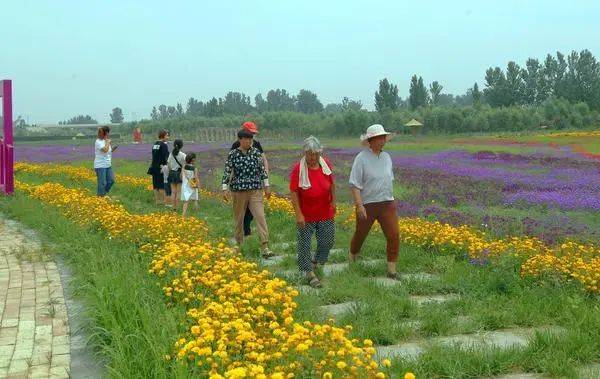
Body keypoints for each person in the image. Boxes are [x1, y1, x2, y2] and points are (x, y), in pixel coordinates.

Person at [348, 124, 400, 279]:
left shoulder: (387, 157)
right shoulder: (361, 159)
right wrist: (360, 205)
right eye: (379, 138)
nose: (382, 141)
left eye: (383, 137)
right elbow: (355, 184)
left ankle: (392, 270)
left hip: (387, 203)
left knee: (394, 235)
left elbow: (388, 179)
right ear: (370, 140)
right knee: (361, 234)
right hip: (368, 204)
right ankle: (353, 255)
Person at [290, 136, 336, 288]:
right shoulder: (299, 168)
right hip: (307, 214)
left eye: (316, 154)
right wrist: (298, 214)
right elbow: (294, 191)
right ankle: (308, 273)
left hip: (325, 211)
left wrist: (334, 201)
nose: (313, 157)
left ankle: (315, 262)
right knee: (305, 244)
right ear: (305, 153)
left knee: (327, 241)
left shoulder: (325, 164)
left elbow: (332, 184)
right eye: (310, 154)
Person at [222, 129, 274, 258]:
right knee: (239, 218)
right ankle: (239, 244)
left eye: (251, 140)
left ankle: (265, 246)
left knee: (260, 216)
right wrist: (224, 188)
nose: (249, 142)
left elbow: (262, 171)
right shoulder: (233, 154)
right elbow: (227, 171)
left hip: (255, 190)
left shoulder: (256, 153)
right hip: (239, 191)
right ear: (240, 139)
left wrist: (266, 186)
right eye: (246, 139)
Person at [230, 121, 269, 237]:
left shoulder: (256, 145)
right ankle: (243, 233)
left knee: (254, 211)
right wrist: (228, 184)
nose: (252, 136)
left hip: (254, 185)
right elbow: (230, 166)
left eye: (253, 134)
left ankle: (252, 234)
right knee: (242, 212)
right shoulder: (236, 146)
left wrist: (266, 176)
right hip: (240, 187)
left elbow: (264, 160)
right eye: (250, 132)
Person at [94, 126, 117, 197]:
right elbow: (105, 150)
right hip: (100, 165)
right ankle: (100, 197)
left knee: (111, 180)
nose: (108, 135)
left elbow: (108, 152)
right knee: (102, 183)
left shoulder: (105, 141)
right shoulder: (98, 142)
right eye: (107, 133)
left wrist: (113, 149)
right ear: (104, 133)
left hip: (108, 165)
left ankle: (102, 194)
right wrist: (107, 142)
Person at [149, 129, 170, 205]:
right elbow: (166, 157)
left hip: (154, 167)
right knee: (161, 185)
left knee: (155, 185)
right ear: (163, 135)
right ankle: (164, 202)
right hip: (161, 167)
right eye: (167, 135)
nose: (168, 137)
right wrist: (166, 166)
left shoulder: (155, 144)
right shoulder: (164, 145)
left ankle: (157, 201)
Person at [167, 139, 186, 210]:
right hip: (179, 173)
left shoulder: (171, 154)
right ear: (181, 146)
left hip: (172, 173)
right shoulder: (183, 155)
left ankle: (173, 206)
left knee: (173, 191)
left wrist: (170, 171)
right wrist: (182, 173)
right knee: (178, 192)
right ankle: (177, 207)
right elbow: (184, 165)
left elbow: (168, 164)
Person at [181, 153, 200, 217]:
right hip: (193, 183)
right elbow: (196, 178)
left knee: (186, 201)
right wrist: (198, 185)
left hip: (185, 184)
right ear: (193, 160)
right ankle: (197, 213)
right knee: (195, 199)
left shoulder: (183, 166)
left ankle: (183, 214)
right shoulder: (195, 168)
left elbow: (181, 176)